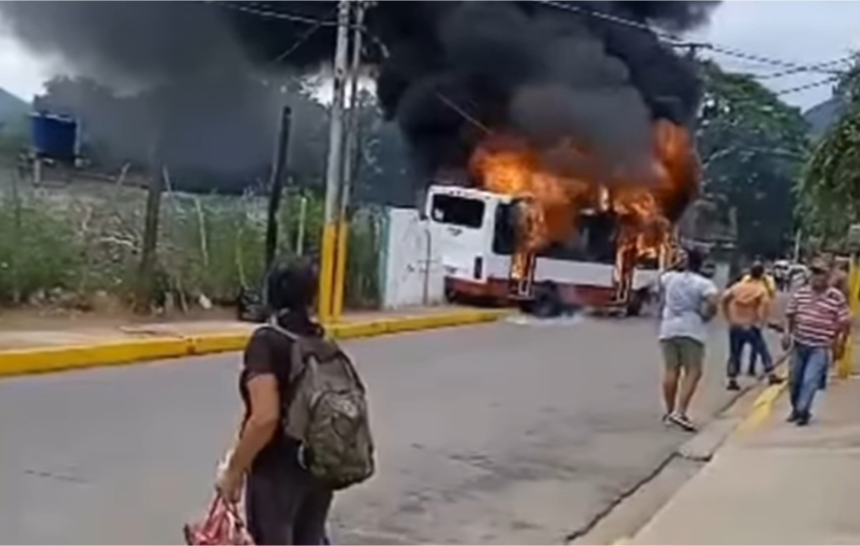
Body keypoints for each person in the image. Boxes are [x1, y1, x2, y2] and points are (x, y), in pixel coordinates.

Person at [216, 262, 334, 546]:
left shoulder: (267, 341)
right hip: (318, 468)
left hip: (277, 472)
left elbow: (264, 418)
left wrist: (234, 471)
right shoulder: (322, 341)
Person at [782, 258, 851, 426]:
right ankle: (796, 408)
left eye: (821, 273)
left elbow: (845, 322)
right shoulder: (801, 293)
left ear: (828, 276)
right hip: (799, 343)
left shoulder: (836, 297)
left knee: (810, 381)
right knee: (794, 380)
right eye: (814, 273)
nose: (817, 277)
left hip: (819, 347)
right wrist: (786, 333)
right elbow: (790, 315)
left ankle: (803, 411)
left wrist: (840, 343)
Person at [657, 248, 720, 432]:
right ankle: (680, 411)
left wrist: (674, 265)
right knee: (693, 371)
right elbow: (714, 302)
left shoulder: (670, 278)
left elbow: (661, 278)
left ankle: (669, 412)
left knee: (671, 370)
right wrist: (707, 316)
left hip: (668, 329)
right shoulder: (703, 283)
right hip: (691, 329)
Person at [722, 264, 782, 390]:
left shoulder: (738, 287)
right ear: (761, 274)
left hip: (736, 324)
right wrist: (763, 323)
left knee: (735, 353)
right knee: (762, 350)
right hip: (750, 325)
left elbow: (725, 298)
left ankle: (732, 379)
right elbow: (762, 310)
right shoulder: (760, 290)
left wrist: (728, 316)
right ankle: (771, 374)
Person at [738, 261, 777, 376]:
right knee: (758, 346)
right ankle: (768, 370)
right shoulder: (751, 281)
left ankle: (747, 368)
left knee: (751, 345)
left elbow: (771, 293)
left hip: (750, 317)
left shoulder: (766, 281)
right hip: (750, 317)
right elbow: (771, 294)